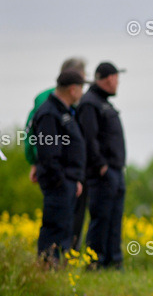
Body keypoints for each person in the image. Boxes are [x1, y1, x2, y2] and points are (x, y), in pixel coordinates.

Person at [26, 57, 89, 249]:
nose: (82, 92)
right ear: (72, 89)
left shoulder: (65, 111)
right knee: (54, 228)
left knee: (65, 229)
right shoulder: (49, 113)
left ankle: (57, 268)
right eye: (81, 87)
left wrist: (74, 179)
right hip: (58, 182)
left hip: (68, 181)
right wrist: (62, 181)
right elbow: (48, 153)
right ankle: (46, 267)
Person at [78, 62, 127, 270]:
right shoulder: (90, 103)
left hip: (115, 171)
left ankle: (113, 262)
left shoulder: (104, 102)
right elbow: (89, 138)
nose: (117, 83)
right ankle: (94, 262)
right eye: (116, 78)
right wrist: (101, 165)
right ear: (108, 78)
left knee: (114, 219)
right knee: (101, 218)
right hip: (102, 173)